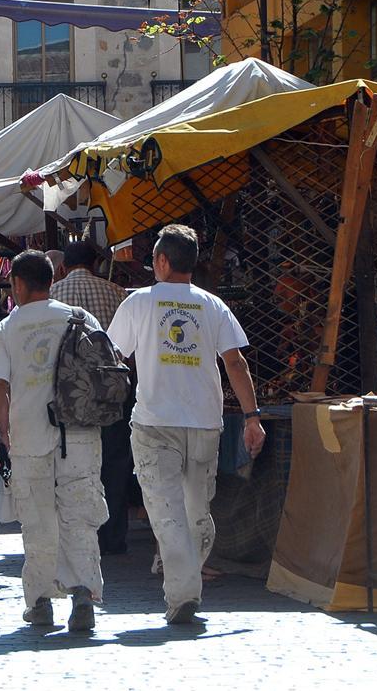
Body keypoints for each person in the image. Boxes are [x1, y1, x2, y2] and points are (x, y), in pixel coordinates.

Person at [106, 224, 265, 626]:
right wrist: (252, 417)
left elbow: (112, 358)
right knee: (196, 511)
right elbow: (235, 363)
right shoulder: (212, 305)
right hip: (205, 424)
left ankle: (182, 593)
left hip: (154, 422)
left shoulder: (139, 302)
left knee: (168, 511)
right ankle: (186, 586)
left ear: (161, 261)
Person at [0, 250, 108, 633]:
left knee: (37, 521)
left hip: (29, 436)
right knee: (80, 517)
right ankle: (83, 592)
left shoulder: (8, 328)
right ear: (53, 280)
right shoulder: (80, 318)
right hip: (81, 434)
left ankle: (40, 602)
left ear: (17, 284)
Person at [50, 241, 132, 556]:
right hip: (111, 392)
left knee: (72, 467)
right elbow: (128, 351)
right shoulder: (116, 293)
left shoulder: (53, 295)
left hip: (67, 395)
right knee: (114, 463)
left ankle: (78, 537)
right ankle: (113, 537)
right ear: (96, 264)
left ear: (62, 267)